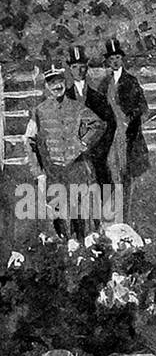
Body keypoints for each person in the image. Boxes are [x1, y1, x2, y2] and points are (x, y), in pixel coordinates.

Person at [24, 62, 110, 240]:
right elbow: (29, 140)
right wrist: (38, 172)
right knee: (59, 216)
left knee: (80, 215)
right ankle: (64, 251)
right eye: (52, 82)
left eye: (59, 81)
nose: (57, 86)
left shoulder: (77, 107)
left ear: (64, 81)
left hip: (76, 169)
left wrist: (83, 144)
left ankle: (82, 250)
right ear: (47, 86)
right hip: (54, 172)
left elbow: (99, 125)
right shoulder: (38, 112)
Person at [98, 37, 150, 221]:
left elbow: (143, 106)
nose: (115, 61)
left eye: (118, 58)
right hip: (111, 136)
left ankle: (126, 219)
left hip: (128, 135)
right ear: (107, 61)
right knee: (111, 174)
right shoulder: (104, 84)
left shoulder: (131, 81)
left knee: (126, 174)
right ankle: (112, 218)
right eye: (111, 59)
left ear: (122, 59)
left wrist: (130, 118)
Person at [64, 44, 117, 191]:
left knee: (104, 191)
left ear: (86, 68)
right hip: (74, 156)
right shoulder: (65, 97)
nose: (79, 71)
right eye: (75, 67)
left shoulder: (98, 98)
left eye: (82, 66)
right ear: (70, 69)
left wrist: (101, 149)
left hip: (97, 152)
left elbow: (111, 124)